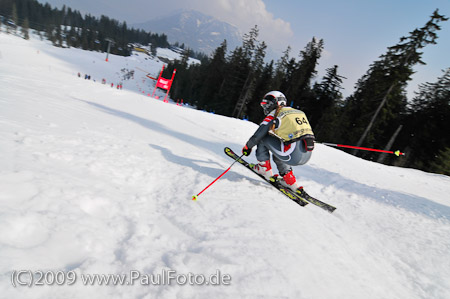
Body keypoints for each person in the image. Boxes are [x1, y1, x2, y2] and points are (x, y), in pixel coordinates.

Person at [242, 91, 315, 191]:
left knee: (264, 137)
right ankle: (289, 180)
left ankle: (264, 168)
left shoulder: (276, 114)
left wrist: (247, 147)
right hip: (306, 154)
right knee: (281, 144)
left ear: (275, 103)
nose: (265, 108)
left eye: (266, 104)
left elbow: (258, 135)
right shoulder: (297, 112)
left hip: (292, 155)